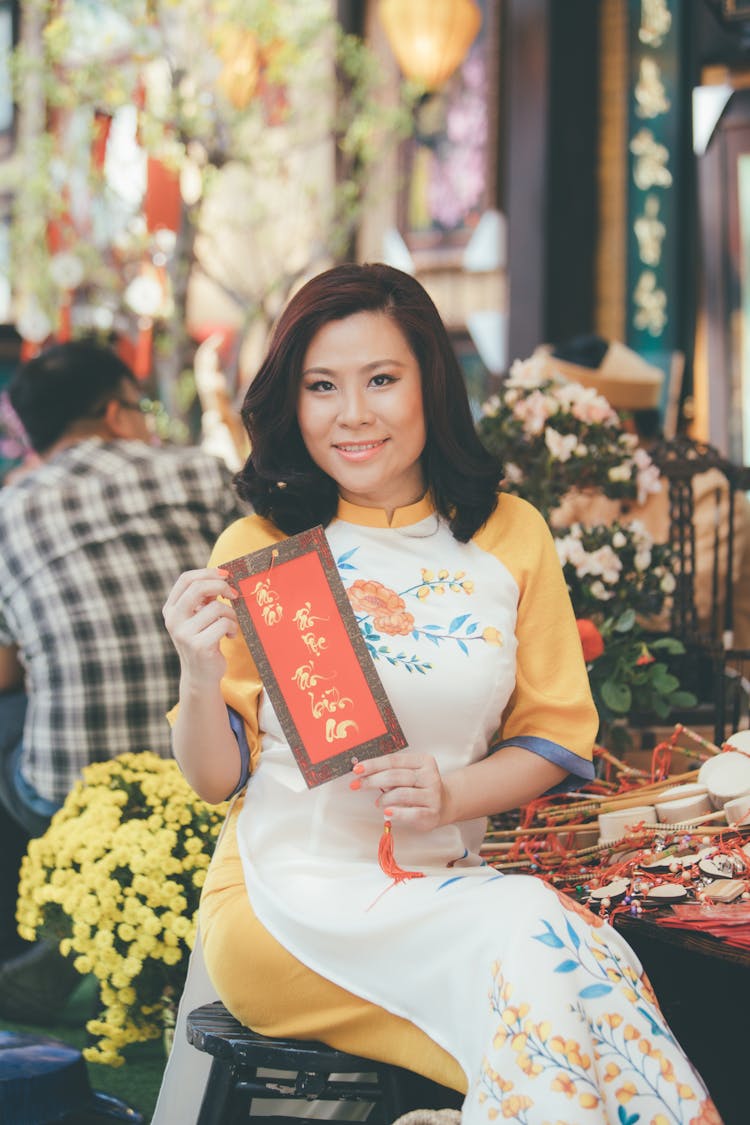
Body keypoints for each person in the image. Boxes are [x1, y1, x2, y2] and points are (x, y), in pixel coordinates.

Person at [157, 265, 719, 1124]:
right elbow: (213, 776)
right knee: (542, 946)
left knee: (581, 957)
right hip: (288, 899)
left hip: (448, 886)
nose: (353, 413)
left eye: (381, 379)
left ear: (431, 383)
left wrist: (453, 792)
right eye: (321, 386)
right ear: (292, 401)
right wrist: (199, 674)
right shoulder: (265, 546)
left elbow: (554, 738)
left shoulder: (509, 533)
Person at [0, 339, 247, 1016]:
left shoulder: (8, 511)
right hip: (217, 775)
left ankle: (34, 939)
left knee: (10, 724)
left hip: (65, 797)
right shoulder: (199, 474)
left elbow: (5, 668)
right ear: (116, 413)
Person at [541, 336, 750, 649]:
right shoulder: (589, 490)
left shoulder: (704, 491)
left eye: (573, 428)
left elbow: (685, 609)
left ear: (625, 427)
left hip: (704, 683)